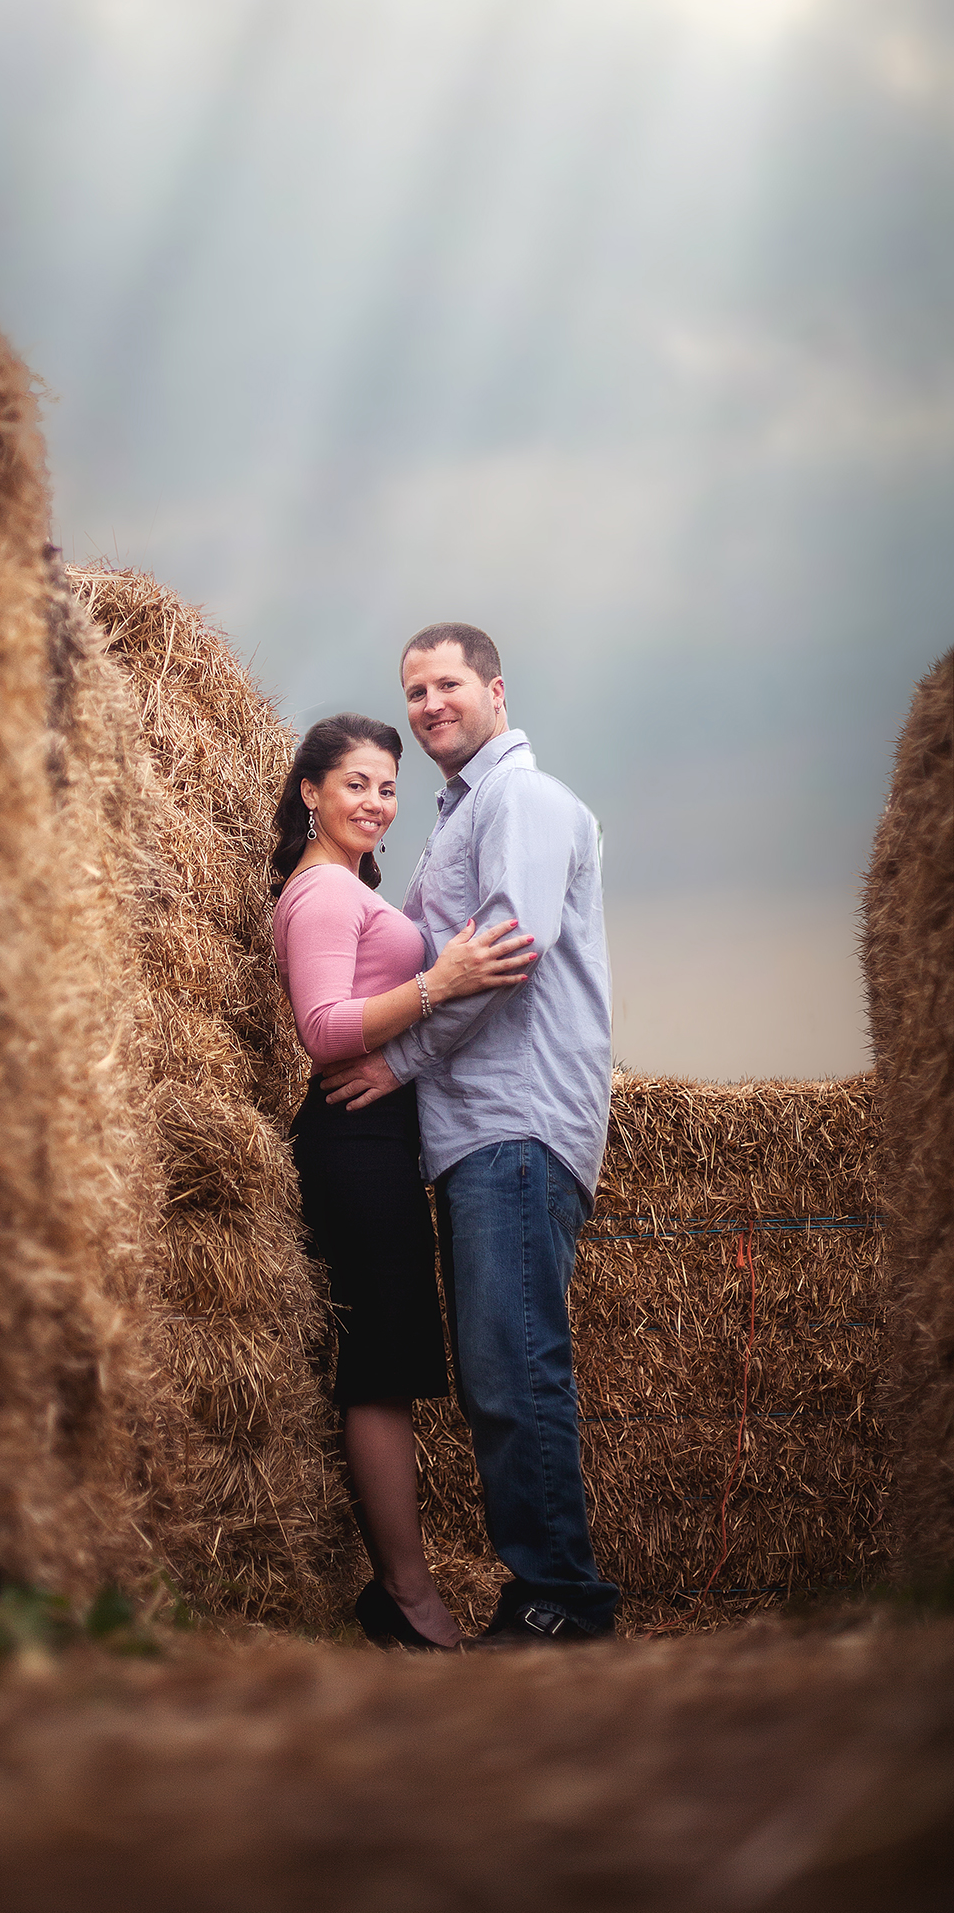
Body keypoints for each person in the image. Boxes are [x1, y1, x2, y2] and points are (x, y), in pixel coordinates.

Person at [322, 627, 619, 1646]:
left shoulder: (520, 802)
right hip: (476, 1133)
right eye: (412, 689)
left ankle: (562, 1602)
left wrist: (394, 1063)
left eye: (446, 682)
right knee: (499, 1370)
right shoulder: (461, 818)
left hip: (516, 1122)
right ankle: (547, 1592)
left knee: (512, 1367)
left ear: (494, 688)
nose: (428, 702)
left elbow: (505, 959)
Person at [269, 714, 535, 1651]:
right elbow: (325, 1028)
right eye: (355, 784)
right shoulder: (324, 895)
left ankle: (403, 1590)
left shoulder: (343, 887)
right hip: (352, 1137)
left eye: (387, 787)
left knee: (390, 1358)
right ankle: (408, 1597)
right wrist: (444, 980)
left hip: (378, 1135)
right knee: (378, 1368)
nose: (376, 802)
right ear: (311, 792)